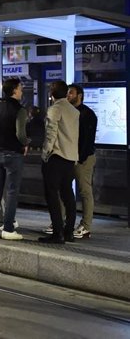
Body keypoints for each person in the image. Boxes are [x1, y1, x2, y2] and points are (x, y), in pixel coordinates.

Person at [0, 78, 29, 240]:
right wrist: (26, 144)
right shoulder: (20, 110)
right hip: (13, 154)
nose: (22, 91)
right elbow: (20, 134)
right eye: (20, 88)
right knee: (11, 192)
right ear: (15, 90)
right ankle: (8, 228)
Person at [39, 81, 79, 244]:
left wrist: (45, 153)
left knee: (52, 195)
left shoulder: (55, 109)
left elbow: (51, 133)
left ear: (52, 93)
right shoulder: (73, 111)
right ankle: (69, 231)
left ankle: (57, 233)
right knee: (68, 194)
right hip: (70, 158)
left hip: (56, 157)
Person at [67, 84, 98, 239]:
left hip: (82, 159)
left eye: (71, 93)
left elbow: (87, 140)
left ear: (79, 95)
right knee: (63, 188)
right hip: (70, 157)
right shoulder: (70, 112)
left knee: (85, 191)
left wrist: (80, 158)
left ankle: (86, 226)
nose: (68, 95)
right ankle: (63, 221)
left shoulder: (87, 114)